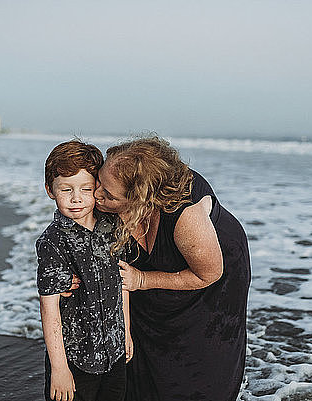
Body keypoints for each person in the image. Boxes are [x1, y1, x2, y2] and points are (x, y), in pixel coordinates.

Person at [93, 136, 251, 401]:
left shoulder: (185, 215)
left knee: (198, 356)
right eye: (99, 182)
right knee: (144, 349)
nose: (97, 195)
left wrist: (143, 279)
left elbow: (208, 274)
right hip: (159, 271)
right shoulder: (117, 192)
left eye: (108, 195)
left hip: (211, 274)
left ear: (139, 199)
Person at [36, 140, 133, 401]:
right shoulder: (53, 242)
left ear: (97, 189)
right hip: (75, 358)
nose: (76, 198)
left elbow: (122, 281)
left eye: (86, 189)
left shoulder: (112, 226)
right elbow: (49, 307)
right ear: (50, 190)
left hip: (114, 350)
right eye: (66, 189)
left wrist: (126, 332)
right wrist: (59, 369)